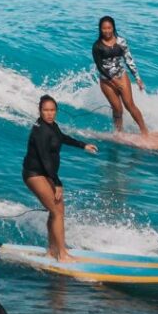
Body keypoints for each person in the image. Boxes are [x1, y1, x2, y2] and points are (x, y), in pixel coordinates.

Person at [22, 94, 97, 262]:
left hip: (45, 173)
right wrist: (57, 183)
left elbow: (61, 137)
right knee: (57, 211)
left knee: (57, 211)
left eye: (52, 110)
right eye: (45, 110)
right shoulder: (40, 131)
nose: (49, 113)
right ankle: (62, 255)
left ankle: (52, 250)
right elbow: (45, 158)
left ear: (56, 111)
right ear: (40, 110)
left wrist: (83, 145)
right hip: (35, 174)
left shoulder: (52, 126)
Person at [92, 16, 148, 135]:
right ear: (100, 29)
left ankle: (145, 131)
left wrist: (137, 79)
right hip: (106, 81)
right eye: (104, 28)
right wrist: (113, 81)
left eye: (109, 28)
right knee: (117, 109)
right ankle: (119, 133)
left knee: (129, 105)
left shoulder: (121, 41)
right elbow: (100, 67)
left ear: (113, 28)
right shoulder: (97, 46)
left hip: (121, 76)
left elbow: (129, 60)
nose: (107, 31)